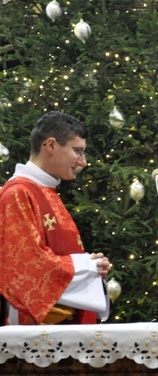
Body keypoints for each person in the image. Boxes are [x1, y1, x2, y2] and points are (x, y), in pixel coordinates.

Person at [0, 111, 111, 326]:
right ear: (51, 145)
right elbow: (24, 268)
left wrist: (92, 267)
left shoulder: (45, 190)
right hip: (33, 332)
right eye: (77, 151)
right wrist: (87, 266)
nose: (83, 162)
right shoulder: (18, 193)